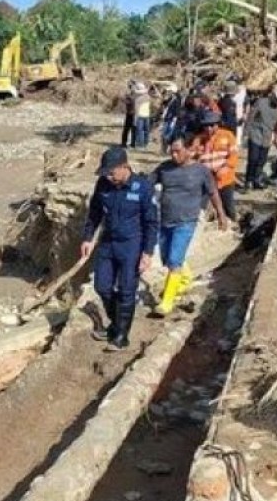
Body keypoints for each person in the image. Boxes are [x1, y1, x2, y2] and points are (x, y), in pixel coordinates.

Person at [81, 146, 160, 349]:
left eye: (112, 172)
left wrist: (148, 252)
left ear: (124, 167)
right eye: (106, 173)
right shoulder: (103, 184)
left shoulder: (142, 188)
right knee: (102, 286)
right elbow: (94, 213)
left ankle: (121, 336)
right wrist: (87, 238)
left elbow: (151, 222)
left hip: (131, 245)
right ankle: (117, 324)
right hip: (108, 242)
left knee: (126, 290)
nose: (109, 177)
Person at [152, 136, 226, 316]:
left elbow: (213, 192)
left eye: (177, 151)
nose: (174, 155)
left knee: (175, 259)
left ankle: (166, 303)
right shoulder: (164, 168)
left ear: (189, 151)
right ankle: (184, 280)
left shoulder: (201, 171)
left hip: (186, 221)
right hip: (165, 220)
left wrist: (221, 214)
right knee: (167, 257)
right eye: (171, 151)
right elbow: (147, 184)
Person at [199, 109, 241, 223]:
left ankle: (232, 225)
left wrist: (226, 167)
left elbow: (234, 154)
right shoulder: (200, 139)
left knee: (228, 205)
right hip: (207, 179)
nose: (209, 129)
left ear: (217, 124)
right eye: (206, 126)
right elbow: (196, 157)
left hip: (225, 178)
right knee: (202, 205)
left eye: (212, 126)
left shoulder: (227, 135)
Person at [244, 85, 277, 189]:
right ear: (272, 95)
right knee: (253, 158)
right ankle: (249, 180)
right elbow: (251, 117)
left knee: (262, 160)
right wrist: (246, 132)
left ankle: (256, 180)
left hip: (267, 136)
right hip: (256, 133)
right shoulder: (261, 102)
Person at [131, 81, 152, 148]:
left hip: (144, 115)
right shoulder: (143, 96)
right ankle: (142, 144)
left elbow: (157, 95)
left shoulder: (141, 96)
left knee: (142, 131)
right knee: (143, 131)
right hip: (141, 115)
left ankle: (142, 144)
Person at [121, 81, 137, 148]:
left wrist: (125, 98)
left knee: (131, 129)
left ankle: (131, 143)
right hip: (130, 113)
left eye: (131, 85)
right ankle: (125, 143)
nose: (130, 87)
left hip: (133, 114)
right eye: (129, 85)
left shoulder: (135, 94)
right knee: (128, 129)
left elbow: (129, 101)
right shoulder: (131, 94)